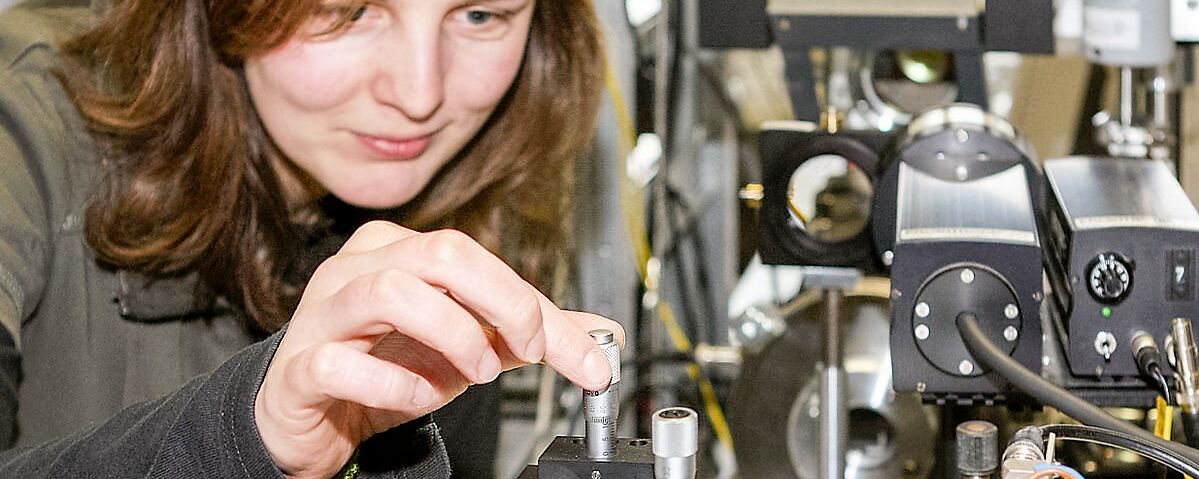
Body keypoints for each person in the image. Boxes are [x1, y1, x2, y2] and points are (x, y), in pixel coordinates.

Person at [0, 0, 621, 477]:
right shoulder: (20, 134)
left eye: (480, 15)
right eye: (346, 10)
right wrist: (242, 440)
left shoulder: (468, 179)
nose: (420, 94)